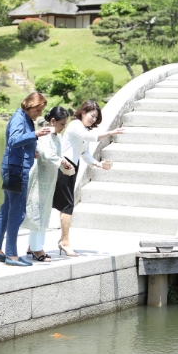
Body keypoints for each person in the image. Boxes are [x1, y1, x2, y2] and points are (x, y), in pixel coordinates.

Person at [0, 92, 52, 267]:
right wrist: (36, 135)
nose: (39, 113)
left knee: (7, 209)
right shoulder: (19, 118)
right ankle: (11, 254)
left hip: (13, 168)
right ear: (30, 106)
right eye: (38, 110)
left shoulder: (23, 117)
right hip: (16, 171)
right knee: (17, 212)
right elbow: (14, 140)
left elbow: (18, 144)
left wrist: (33, 151)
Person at [53, 100, 124, 256]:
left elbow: (84, 153)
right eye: (92, 115)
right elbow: (91, 137)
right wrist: (111, 133)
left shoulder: (83, 129)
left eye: (95, 117)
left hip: (72, 167)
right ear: (83, 112)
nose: (93, 119)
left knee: (66, 204)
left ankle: (62, 241)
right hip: (64, 166)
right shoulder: (75, 125)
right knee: (67, 205)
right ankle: (65, 242)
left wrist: (98, 164)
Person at [22, 106, 73, 262]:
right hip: (40, 177)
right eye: (62, 124)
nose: (64, 127)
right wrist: (61, 161)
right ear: (53, 121)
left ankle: (34, 246)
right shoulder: (45, 134)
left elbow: (57, 154)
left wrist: (63, 161)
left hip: (50, 179)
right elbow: (45, 153)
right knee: (37, 211)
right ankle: (37, 249)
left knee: (44, 213)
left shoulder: (57, 136)